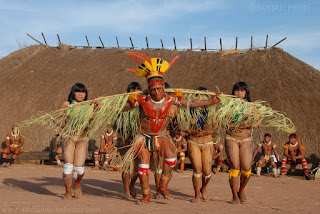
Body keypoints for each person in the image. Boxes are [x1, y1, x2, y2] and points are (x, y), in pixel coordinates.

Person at [122, 52, 220, 205]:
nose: (156, 92)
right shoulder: (141, 99)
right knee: (143, 167)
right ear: (149, 89)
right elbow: (122, 108)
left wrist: (209, 102)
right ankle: (146, 195)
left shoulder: (171, 99)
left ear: (163, 87)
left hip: (162, 135)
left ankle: (163, 187)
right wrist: (129, 102)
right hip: (144, 136)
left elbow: (190, 103)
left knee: (171, 159)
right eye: (153, 89)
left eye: (159, 88)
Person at [225, 82, 258, 204]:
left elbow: (258, 122)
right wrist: (233, 125)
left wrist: (246, 124)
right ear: (233, 92)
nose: (239, 93)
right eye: (236, 90)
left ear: (246, 92)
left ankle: (242, 189)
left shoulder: (251, 107)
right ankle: (234, 195)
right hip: (231, 138)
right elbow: (222, 121)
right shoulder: (228, 105)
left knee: (247, 167)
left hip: (246, 139)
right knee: (235, 166)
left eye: (242, 91)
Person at [185, 87, 218, 203]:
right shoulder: (188, 111)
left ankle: (204, 187)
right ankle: (197, 195)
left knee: (207, 171)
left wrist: (207, 132)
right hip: (193, 141)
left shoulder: (210, 111)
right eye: (197, 96)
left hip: (207, 141)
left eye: (202, 97)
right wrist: (190, 131)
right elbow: (180, 126)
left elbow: (215, 127)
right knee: (197, 169)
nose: (199, 99)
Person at [59, 83, 89, 200]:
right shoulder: (66, 104)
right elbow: (57, 119)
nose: (81, 94)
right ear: (73, 92)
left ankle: (77, 183)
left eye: (83, 92)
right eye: (78, 91)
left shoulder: (87, 106)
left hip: (82, 138)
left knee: (79, 168)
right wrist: (66, 128)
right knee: (68, 165)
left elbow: (92, 120)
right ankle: (67, 191)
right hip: (69, 138)